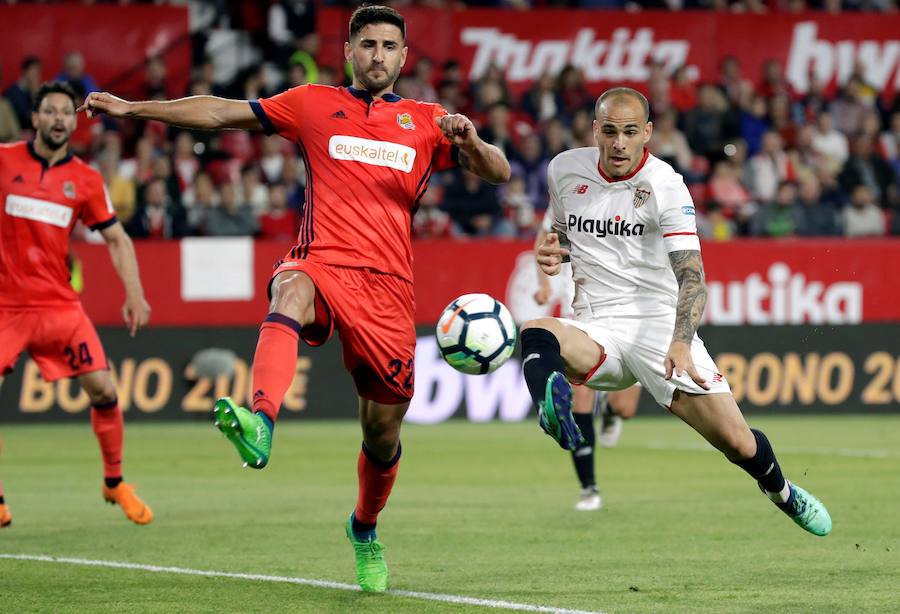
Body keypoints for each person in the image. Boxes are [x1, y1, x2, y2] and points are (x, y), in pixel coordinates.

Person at [80, 5, 510, 592]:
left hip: (388, 291)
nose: (378, 55)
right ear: (349, 52)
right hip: (323, 262)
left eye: (389, 46)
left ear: (404, 57)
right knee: (289, 287)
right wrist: (134, 109)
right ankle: (261, 422)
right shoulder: (312, 103)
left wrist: (472, 139)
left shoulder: (429, 121)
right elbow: (220, 112)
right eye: (368, 44)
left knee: (382, 435)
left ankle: (364, 528)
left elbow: (498, 172)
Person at [522, 87, 831, 538]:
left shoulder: (665, 185)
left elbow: (692, 277)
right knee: (536, 330)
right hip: (595, 328)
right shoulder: (564, 169)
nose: (619, 143)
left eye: (630, 132)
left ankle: (782, 492)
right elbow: (563, 234)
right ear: (595, 130)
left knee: (738, 443)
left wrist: (681, 343)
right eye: (610, 132)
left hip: (657, 328)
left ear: (648, 133)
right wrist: (555, 251)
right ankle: (548, 406)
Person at [0, 82, 153, 528]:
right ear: (35, 118)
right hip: (7, 307)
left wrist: (135, 291)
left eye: (66, 112)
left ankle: (114, 482)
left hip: (58, 306)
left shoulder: (85, 180)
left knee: (104, 390)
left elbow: (117, 238)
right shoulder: (4, 160)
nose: (58, 119)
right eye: (49, 111)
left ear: (75, 121)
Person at [533, 210, 640, 512]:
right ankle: (588, 488)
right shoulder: (568, 195)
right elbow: (544, 238)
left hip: (628, 313)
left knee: (625, 408)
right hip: (582, 311)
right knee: (579, 396)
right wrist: (544, 283)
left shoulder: (636, 198)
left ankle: (609, 410)